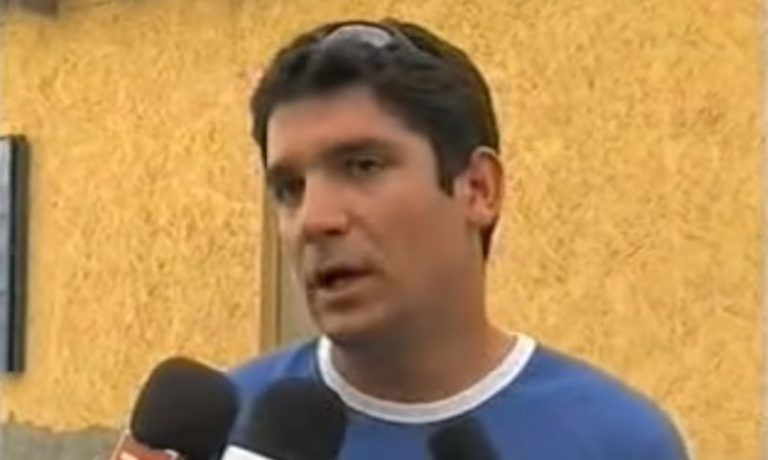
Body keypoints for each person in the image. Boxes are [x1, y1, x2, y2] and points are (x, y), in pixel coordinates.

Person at [230, 19, 689, 459]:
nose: (314, 220)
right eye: (289, 189)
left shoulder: (616, 441)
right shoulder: (228, 435)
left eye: (363, 166)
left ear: (478, 189)